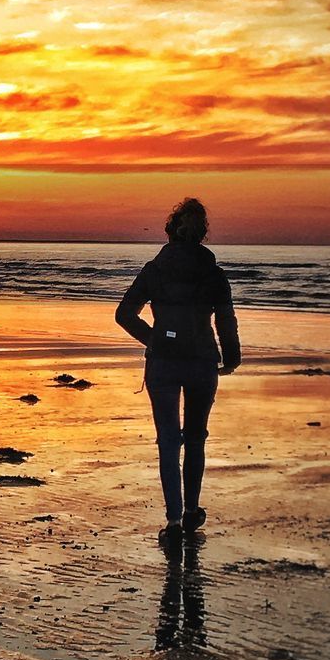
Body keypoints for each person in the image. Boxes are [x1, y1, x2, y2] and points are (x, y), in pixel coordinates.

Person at [115, 198, 240, 546]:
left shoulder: (155, 269)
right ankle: (190, 512)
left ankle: (173, 519)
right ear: (202, 234)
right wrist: (231, 358)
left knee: (169, 441)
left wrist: (154, 339)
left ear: (171, 230)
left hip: (165, 364)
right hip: (202, 362)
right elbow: (225, 320)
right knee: (196, 437)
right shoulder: (213, 273)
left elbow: (124, 314)